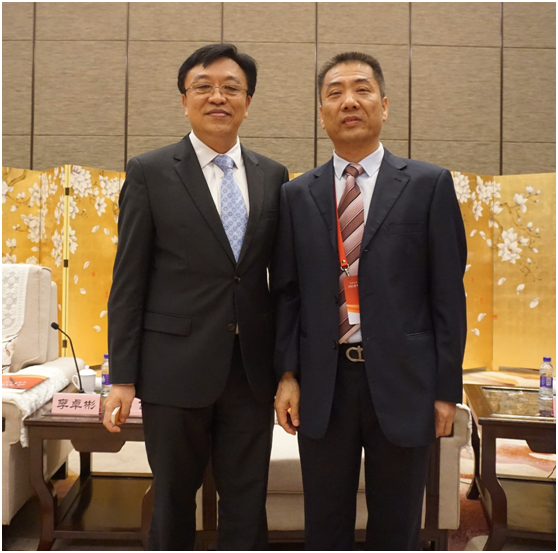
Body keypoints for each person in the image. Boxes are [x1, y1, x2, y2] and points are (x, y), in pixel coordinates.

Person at [272, 52, 467, 551]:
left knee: (397, 526)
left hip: (405, 381)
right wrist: (288, 374)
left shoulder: (428, 184)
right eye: (335, 93)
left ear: (384, 104)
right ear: (321, 113)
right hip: (324, 382)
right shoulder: (297, 195)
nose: (349, 101)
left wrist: (446, 390)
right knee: (325, 524)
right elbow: (288, 293)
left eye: (361, 89)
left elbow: (448, 295)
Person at [103, 43, 289, 551]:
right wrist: (123, 377)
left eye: (231, 88)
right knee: (173, 500)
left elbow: (281, 282)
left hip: (250, 371)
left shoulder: (273, 175)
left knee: (247, 501)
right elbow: (128, 281)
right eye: (203, 87)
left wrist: (287, 368)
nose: (217, 97)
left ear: (248, 101)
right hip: (173, 368)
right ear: (184, 100)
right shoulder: (149, 171)